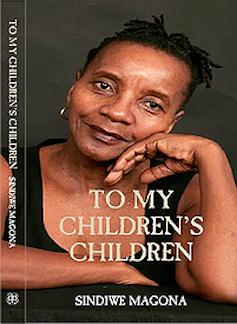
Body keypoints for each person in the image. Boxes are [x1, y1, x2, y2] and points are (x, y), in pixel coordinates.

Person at [1, 15, 236, 303]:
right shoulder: (8, 171)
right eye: (103, 85)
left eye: (151, 104)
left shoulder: (190, 193)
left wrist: (213, 156)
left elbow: (227, 285)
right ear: (74, 88)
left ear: (171, 124)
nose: (117, 112)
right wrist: (112, 270)